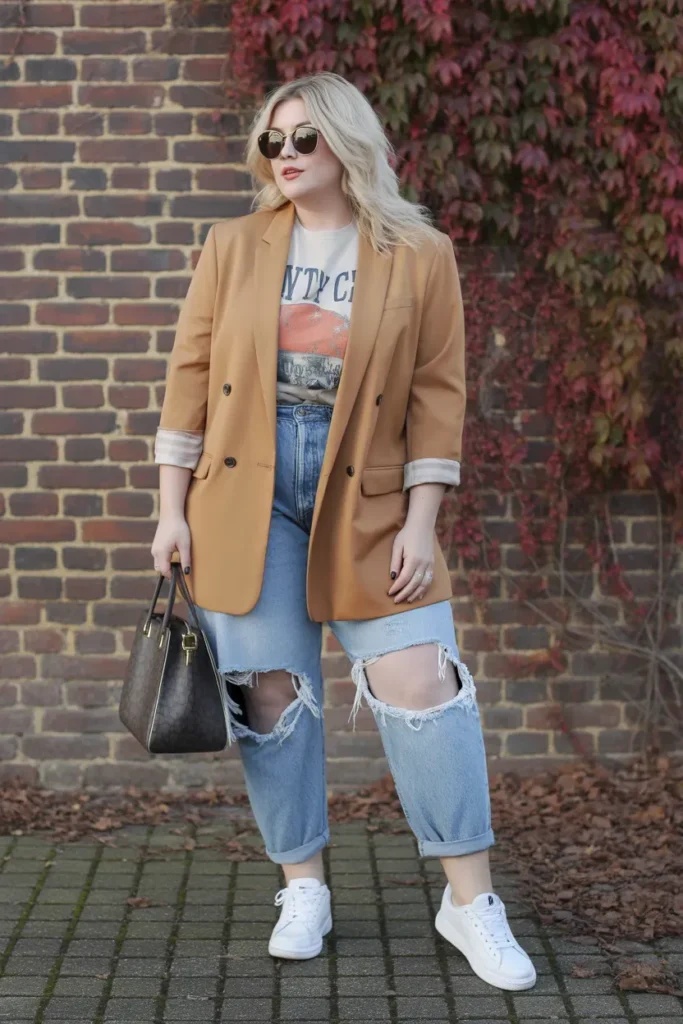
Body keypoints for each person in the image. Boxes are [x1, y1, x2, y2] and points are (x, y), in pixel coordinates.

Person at [151, 71, 536, 990]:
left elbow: (440, 394)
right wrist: (169, 508)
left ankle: (469, 901)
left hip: (364, 492)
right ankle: (302, 883)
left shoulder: (417, 251)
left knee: (422, 685)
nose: (282, 156)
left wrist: (421, 518)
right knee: (267, 696)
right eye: (271, 142)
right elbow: (189, 376)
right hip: (241, 495)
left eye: (302, 140)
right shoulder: (233, 245)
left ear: (345, 144)